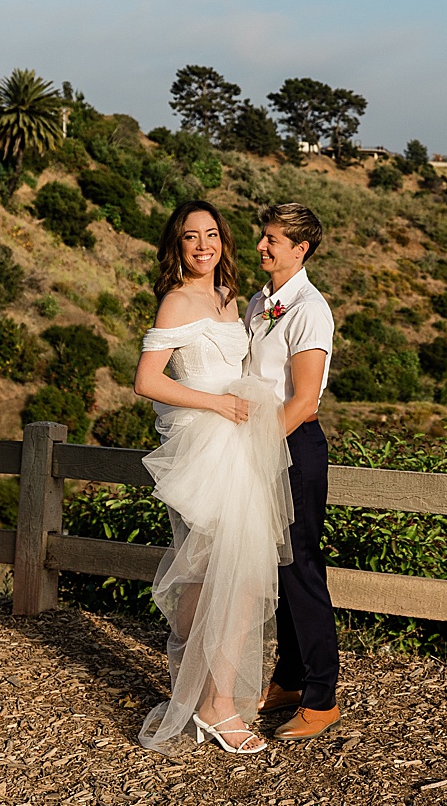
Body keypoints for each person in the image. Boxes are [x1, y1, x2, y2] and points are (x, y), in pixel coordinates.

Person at [132, 199, 294, 757]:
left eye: (211, 235)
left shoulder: (231, 299)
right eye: (190, 237)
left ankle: (212, 698)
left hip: (244, 448)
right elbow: (147, 381)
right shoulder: (176, 302)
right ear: (177, 246)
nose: (203, 245)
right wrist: (217, 405)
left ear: (223, 240)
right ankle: (213, 704)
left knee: (244, 577)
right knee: (209, 578)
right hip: (205, 447)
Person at [245, 203, 341, 740]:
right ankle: (289, 676)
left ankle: (322, 696)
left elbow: (304, 400)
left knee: (301, 566)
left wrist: (256, 448)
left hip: (291, 444)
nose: (262, 245)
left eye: (273, 239)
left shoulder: (309, 309)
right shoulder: (262, 302)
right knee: (276, 567)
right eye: (264, 236)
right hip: (261, 439)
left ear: (300, 249)